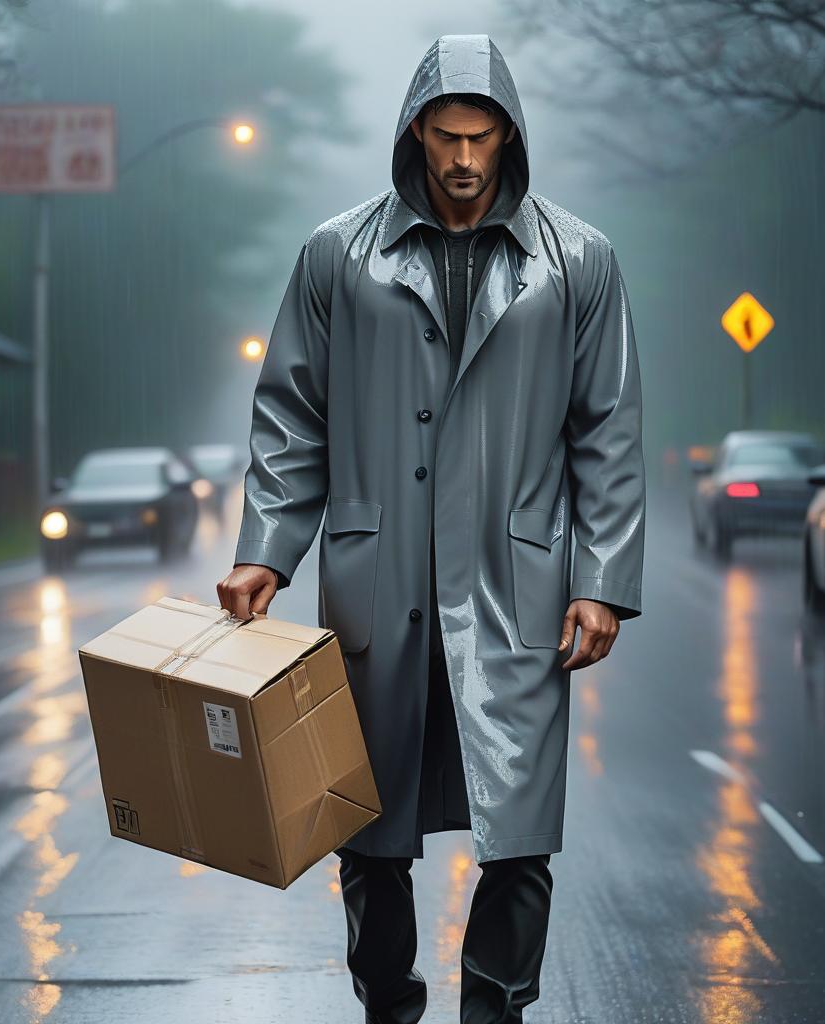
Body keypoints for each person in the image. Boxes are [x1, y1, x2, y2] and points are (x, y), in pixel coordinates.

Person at [217, 33, 645, 1024]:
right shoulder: (337, 256)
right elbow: (291, 414)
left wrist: (601, 577)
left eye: (481, 138)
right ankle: (386, 998)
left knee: (524, 830)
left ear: (509, 137)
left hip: (516, 583)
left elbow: (609, 428)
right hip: (381, 576)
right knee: (366, 827)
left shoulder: (578, 261)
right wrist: (263, 551)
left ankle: (494, 1007)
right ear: (416, 129)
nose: (461, 159)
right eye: (446, 136)